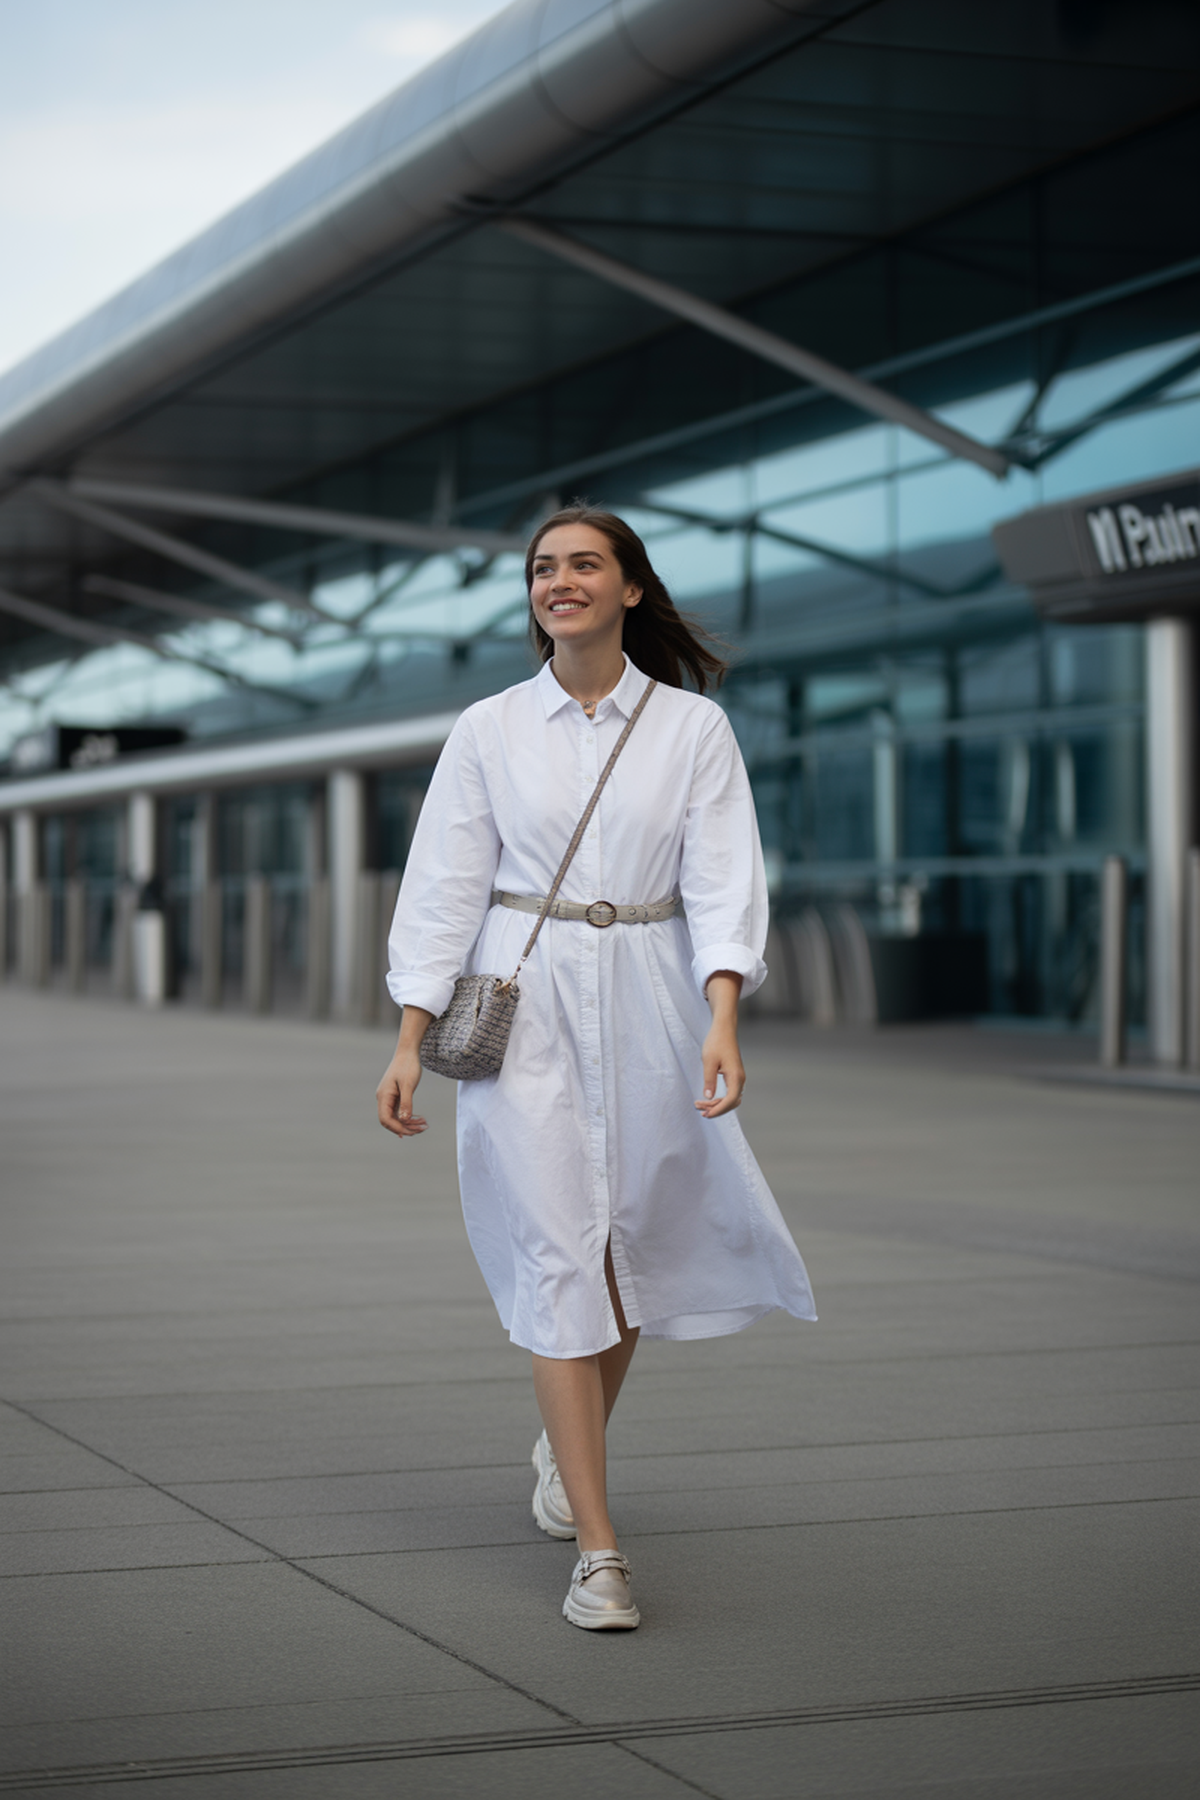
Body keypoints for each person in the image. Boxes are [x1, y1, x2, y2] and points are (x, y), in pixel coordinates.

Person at [376, 504, 816, 1631]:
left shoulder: (690, 730)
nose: (559, 581)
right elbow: (443, 885)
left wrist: (723, 1015)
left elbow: (726, 881)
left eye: (583, 565)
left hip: (655, 1003)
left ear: (629, 588)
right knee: (560, 1255)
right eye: (542, 568)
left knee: (624, 1254)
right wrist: (411, 1038)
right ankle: (601, 1554)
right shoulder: (489, 728)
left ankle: (558, 1447)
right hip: (524, 1013)